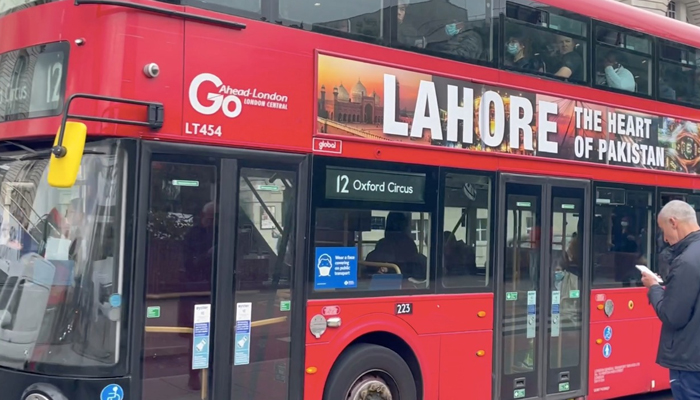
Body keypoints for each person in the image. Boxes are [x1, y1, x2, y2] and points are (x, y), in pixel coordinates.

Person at [642, 200, 700, 399]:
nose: (665, 238)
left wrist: (654, 288)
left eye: (663, 229)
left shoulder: (686, 261)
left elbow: (673, 316)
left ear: (673, 222)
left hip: (690, 360)